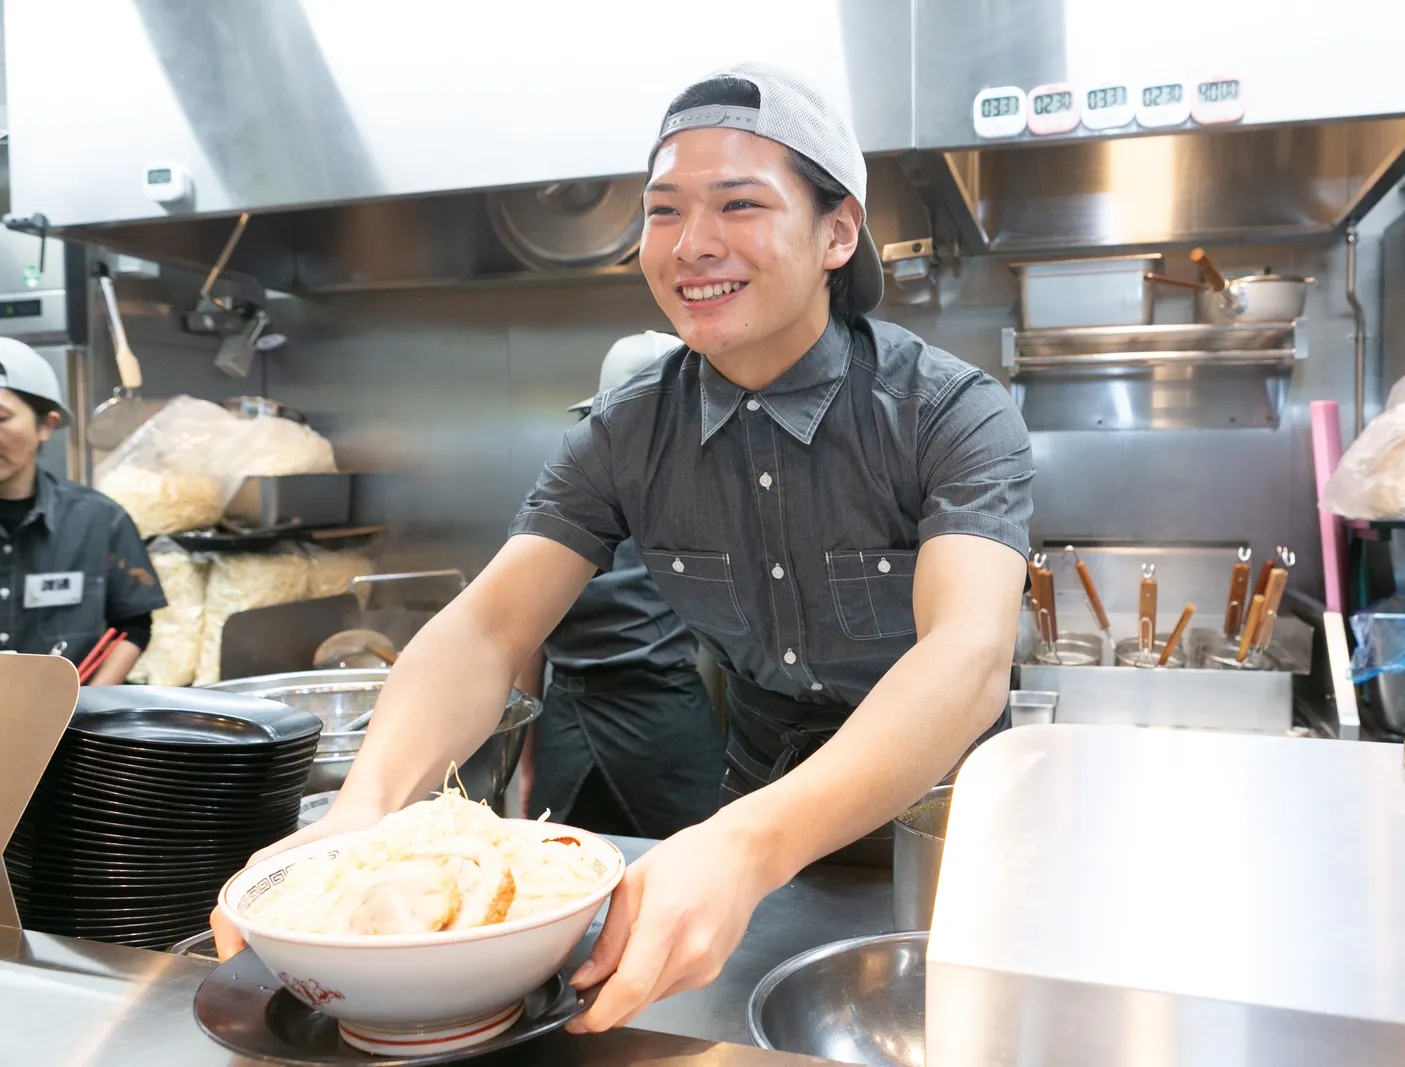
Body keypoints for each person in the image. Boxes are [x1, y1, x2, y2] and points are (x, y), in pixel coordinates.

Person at [214, 62, 1033, 1033]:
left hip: (943, 830)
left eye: (738, 203)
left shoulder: (949, 411)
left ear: (837, 232)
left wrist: (743, 845)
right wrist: (359, 813)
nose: (693, 244)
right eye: (663, 210)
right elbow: (487, 626)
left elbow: (966, 657)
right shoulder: (626, 430)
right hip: (752, 816)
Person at [516, 330, 726, 839]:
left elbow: (524, 641)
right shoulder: (711, 496)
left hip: (594, 729)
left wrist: (528, 759)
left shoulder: (555, 495)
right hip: (642, 729)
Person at [0, 338, 165, 682]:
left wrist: (84, 705)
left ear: (46, 425)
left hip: (69, 726)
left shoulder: (97, 519)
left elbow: (133, 626)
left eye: (1, 418)